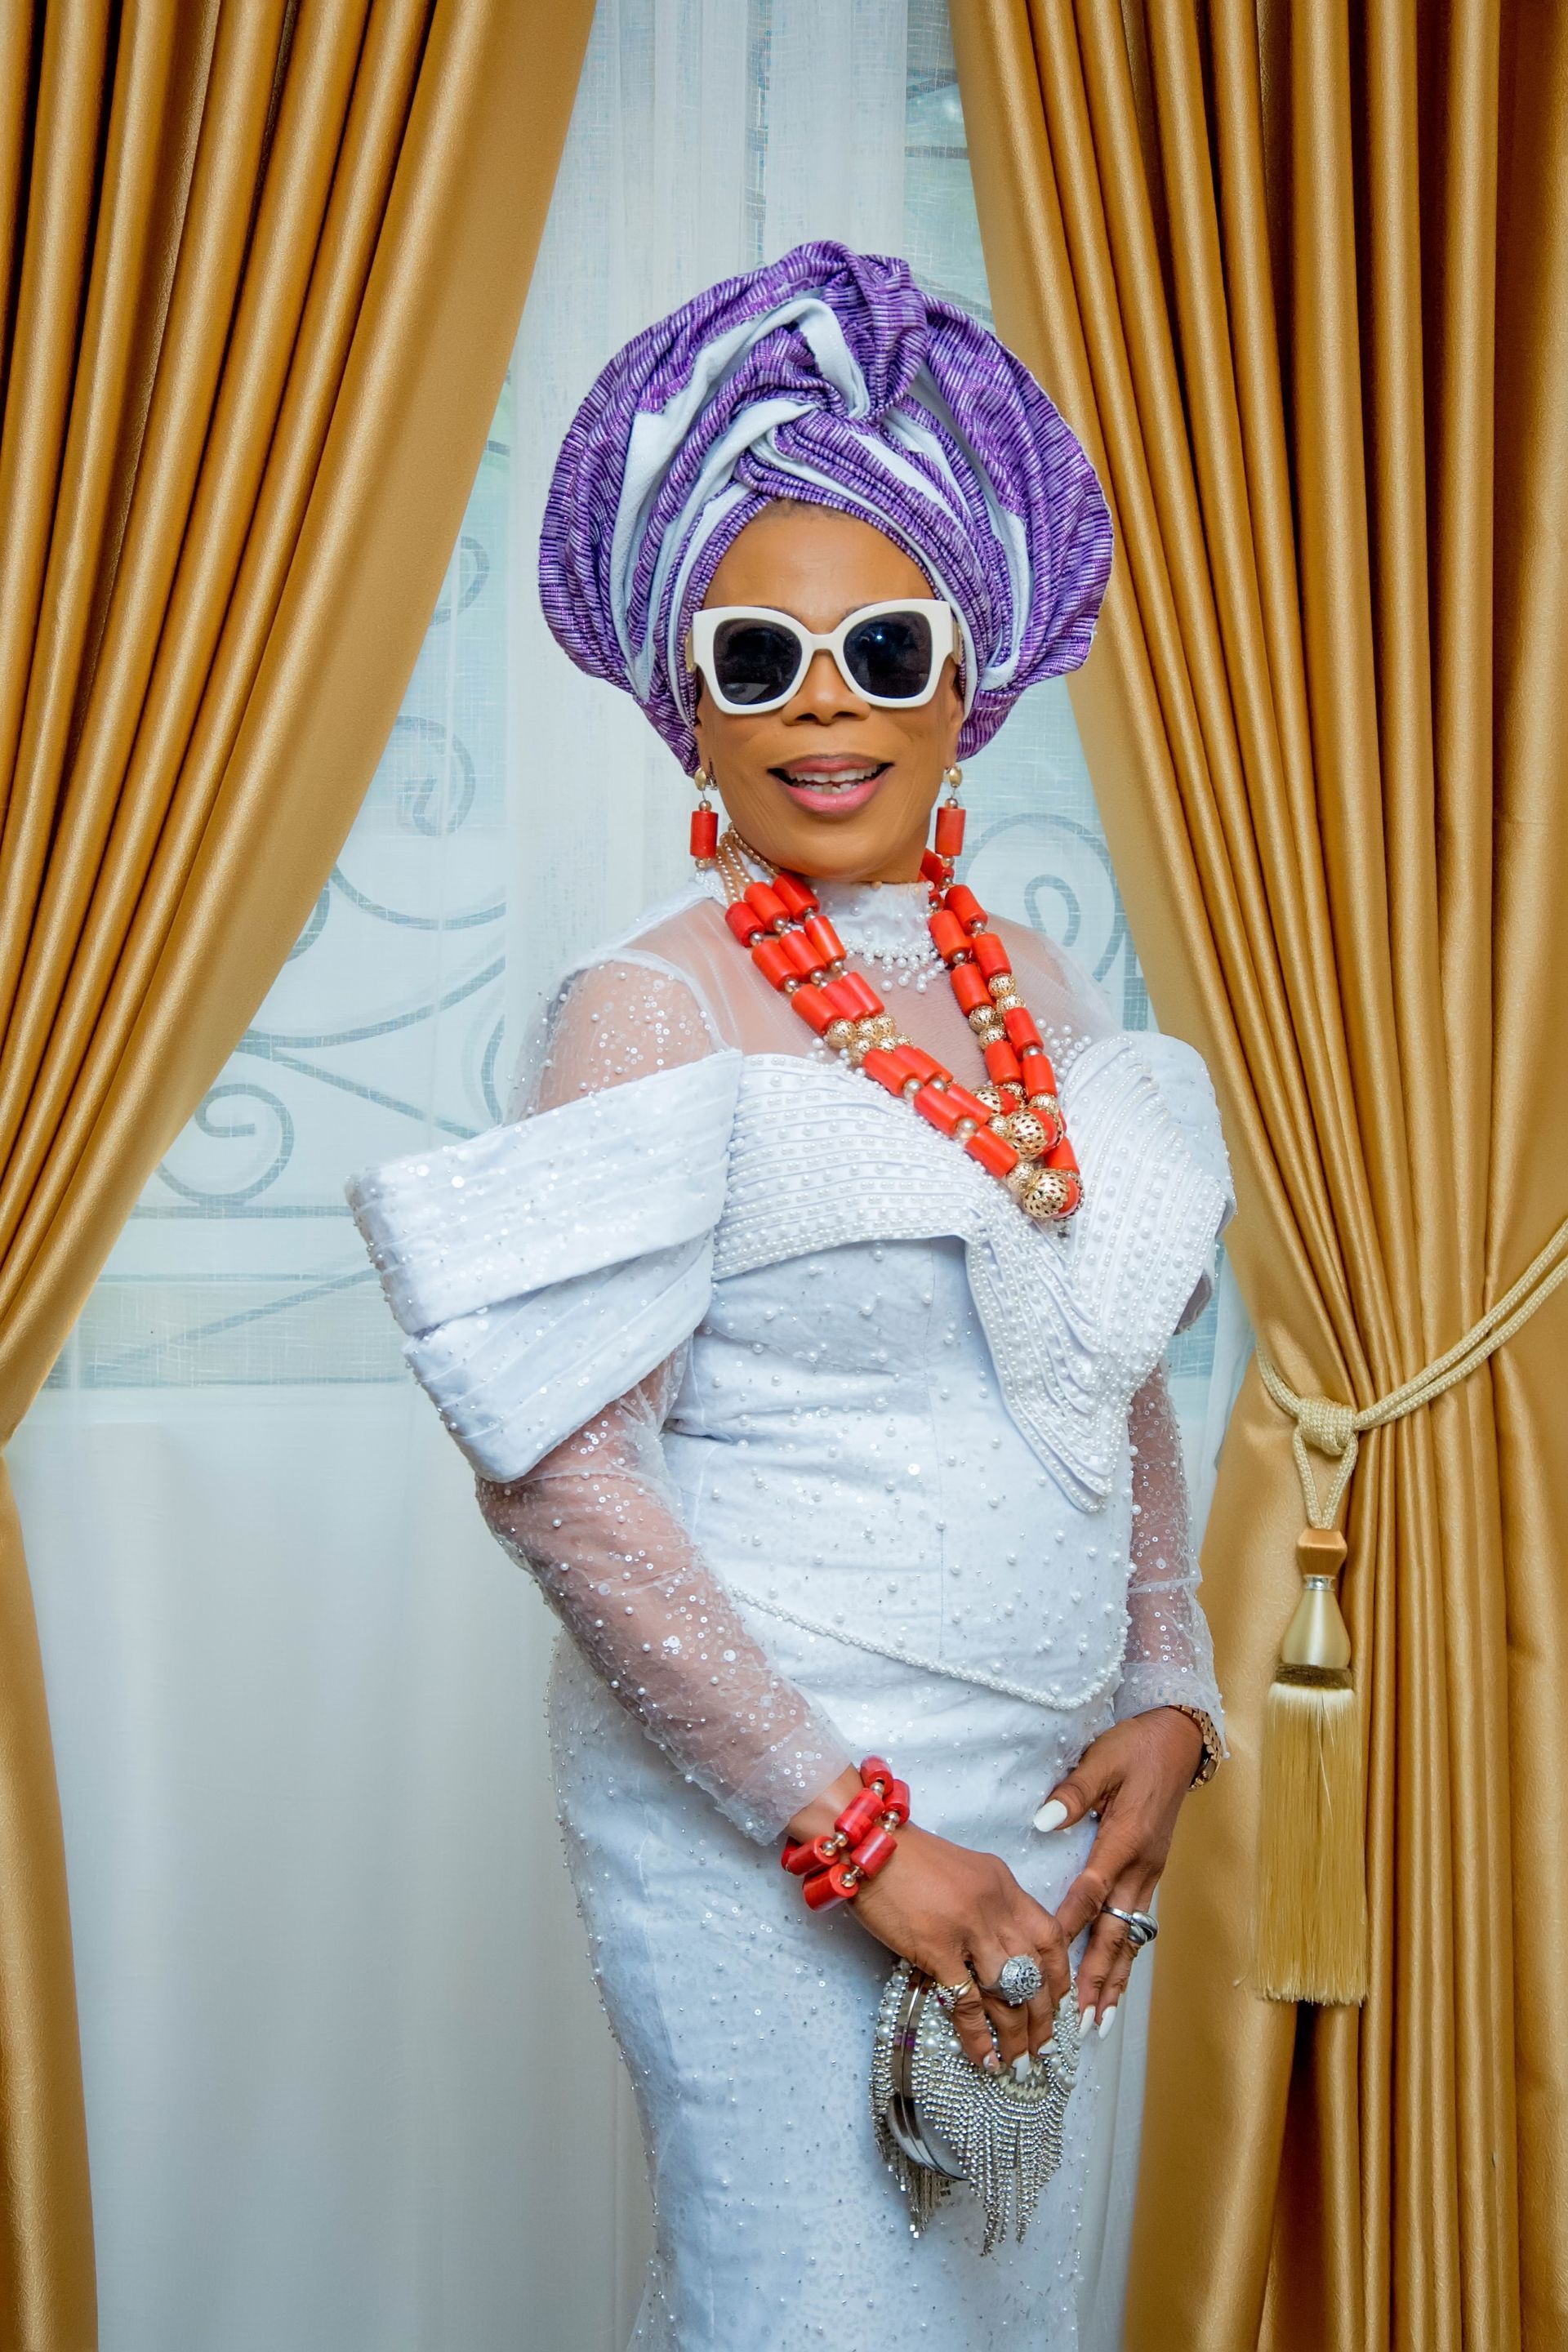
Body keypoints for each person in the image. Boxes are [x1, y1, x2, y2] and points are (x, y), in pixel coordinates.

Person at [347, 243, 1232, 2350]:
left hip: (1041, 1801)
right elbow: (564, 1478)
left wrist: (1170, 1687)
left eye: (879, 646)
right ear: (695, 706)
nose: (823, 701)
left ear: (964, 680)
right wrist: (858, 1839)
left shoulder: (1043, 987)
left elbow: (1103, 1359)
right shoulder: (647, 1010)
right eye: (760, 657)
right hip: (779, 1823)